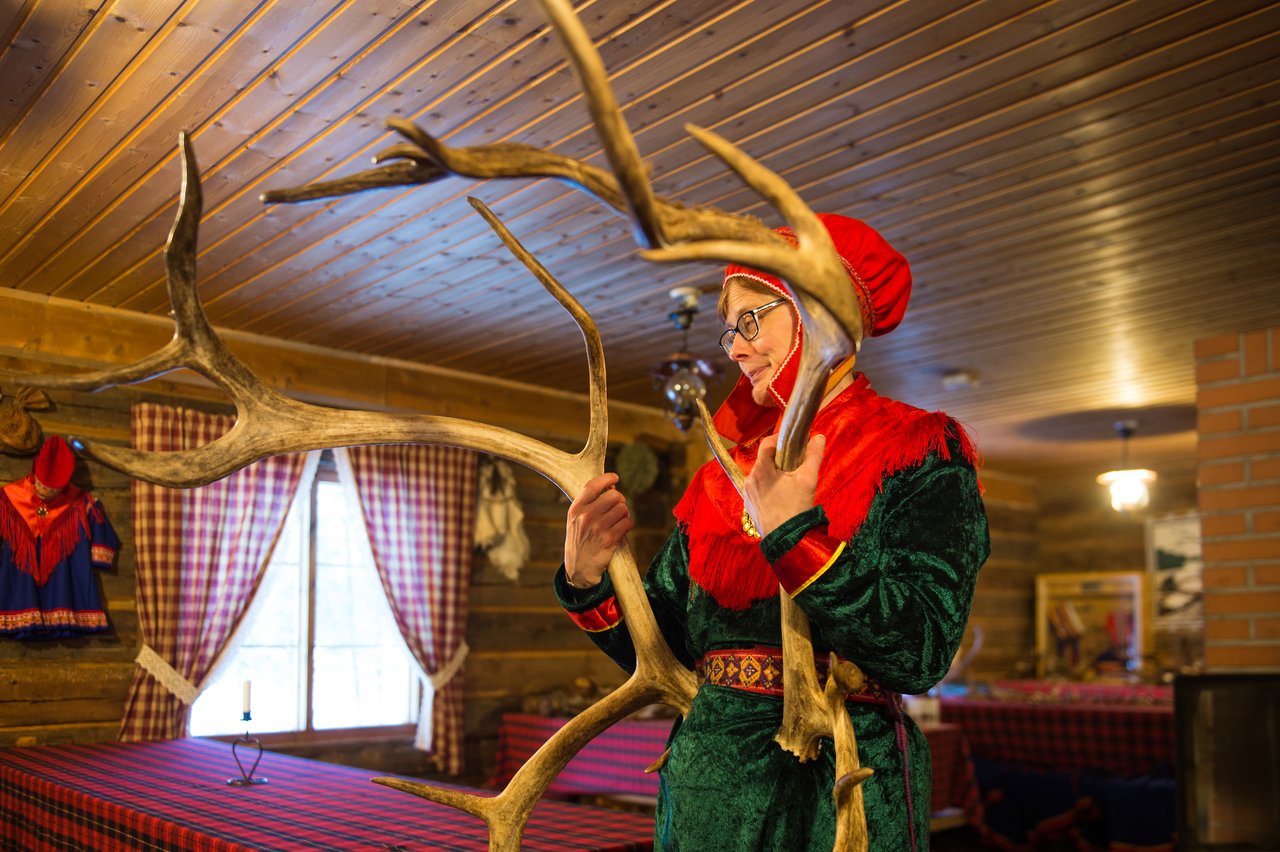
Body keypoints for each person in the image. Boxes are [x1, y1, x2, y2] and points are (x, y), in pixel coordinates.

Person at [556, 213, 989, 851]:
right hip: (710, 793)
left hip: (837, 789)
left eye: (750, 320)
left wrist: (796, 540)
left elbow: (918, 650)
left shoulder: (917, 448)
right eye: (728, 328)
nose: (732, 347)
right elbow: (666, 648)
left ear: (821, 311)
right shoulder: (718, 477)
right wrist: (587, 580)